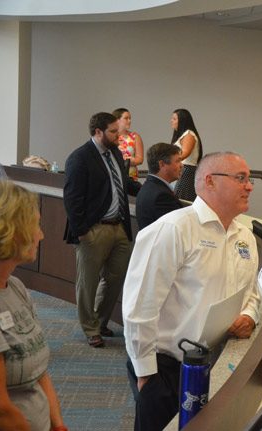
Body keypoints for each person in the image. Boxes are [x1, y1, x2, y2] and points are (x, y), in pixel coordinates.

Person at [123, 151, 261, 431]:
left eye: (249, 179)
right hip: (167, 369)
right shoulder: (173, 229)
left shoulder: (244, 237)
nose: (249, 186)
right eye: (241, 178)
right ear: (209, 181)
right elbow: (140, 307)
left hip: (216, 365)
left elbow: (252, 291)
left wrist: (250, 314)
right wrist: (146, 376)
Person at [63, 112, 141, 348]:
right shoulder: (79, 158)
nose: (119, 135)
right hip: (93, 230)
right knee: (88, 283)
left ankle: (100, 320)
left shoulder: (116, 153)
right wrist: (82, 231)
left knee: (116, 279)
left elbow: (125, 184)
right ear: (98, 132)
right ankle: (90, 329)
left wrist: (152, 189)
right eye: (113, 132)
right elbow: (72, 198)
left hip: (119, 229)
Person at [0, 181, 67, 431]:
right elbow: (2, 410)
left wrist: (58, 425)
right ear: (10, 230)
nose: (41, 235)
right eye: (35, 225)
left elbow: (39, 371)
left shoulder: (15, 286)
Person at [135, 143, 183, 230]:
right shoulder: (161, 196)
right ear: (162, 164)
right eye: (177, 161)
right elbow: (175, 230)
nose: (181, 165)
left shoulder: (149, 187)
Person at [170, 108, 203, 202]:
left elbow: (184, 154)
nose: (171, 121)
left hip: (186, 171)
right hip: (182, 170)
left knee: (181, 201)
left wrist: (167, 160)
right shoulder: (182, 135)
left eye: (174, 119)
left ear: (182, 120)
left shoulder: (188, 134)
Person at [113, 108, 144, 181]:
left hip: (131, 177)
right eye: (126, 118)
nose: (129, 121)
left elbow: (140, 159)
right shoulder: (112, 137)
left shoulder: (135, 136)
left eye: (130, 118)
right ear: (117, 120)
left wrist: (125, 161)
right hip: (115, 176)